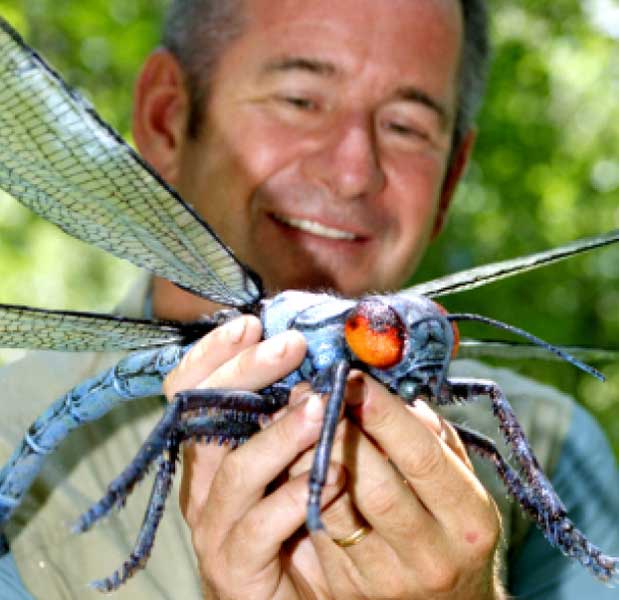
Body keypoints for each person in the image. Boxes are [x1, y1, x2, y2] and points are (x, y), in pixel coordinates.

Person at [0, 1, 617, 598]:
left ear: (451, 181)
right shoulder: (8, 420)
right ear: (166, 118)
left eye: (406, 126)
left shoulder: (558, 447)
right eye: (300, 100)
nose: (352, 171)